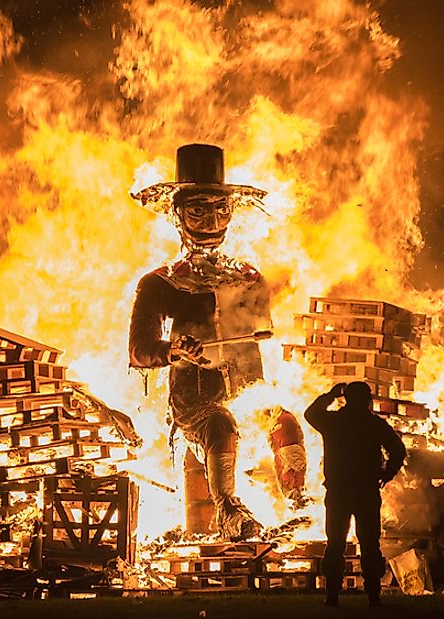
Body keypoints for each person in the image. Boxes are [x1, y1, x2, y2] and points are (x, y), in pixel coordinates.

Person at [129, 143, 305, 540]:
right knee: (220, 422)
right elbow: (139, 349)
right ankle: (228, 510)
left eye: (220, 210)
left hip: (248, 392)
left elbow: (260, 329)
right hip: (197, 403)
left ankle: (299, 506)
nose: (211, 222)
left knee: (285, 422)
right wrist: (172, 352)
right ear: (177, 214)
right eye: (198, 210)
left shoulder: (247, 276)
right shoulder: (160, 283)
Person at [305, 381, 406, 607]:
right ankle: (373, 596)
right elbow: (398, 450)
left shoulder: (334, 422)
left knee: (335, 544)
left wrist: (331, 395)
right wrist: (386, 474)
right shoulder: (374, 424)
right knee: (370, 543)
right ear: (367, 400)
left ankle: (332, 596)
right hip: (366, 491)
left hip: (339, 491)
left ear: (346, 398)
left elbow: (311, 413)